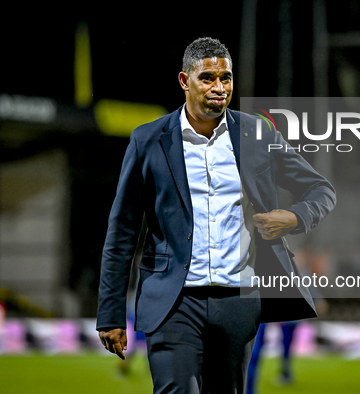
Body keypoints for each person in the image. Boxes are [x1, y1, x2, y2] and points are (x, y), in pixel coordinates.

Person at [96, 37, 336, 394]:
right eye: (208, 78)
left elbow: (321, 189)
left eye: (226, 78)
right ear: (184, 81)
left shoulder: (257, 134)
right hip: (173, 301)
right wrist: (110, 311)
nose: (219, 87)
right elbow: (122, 231)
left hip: (239, 301)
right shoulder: (148, 140)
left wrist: (296, 217)